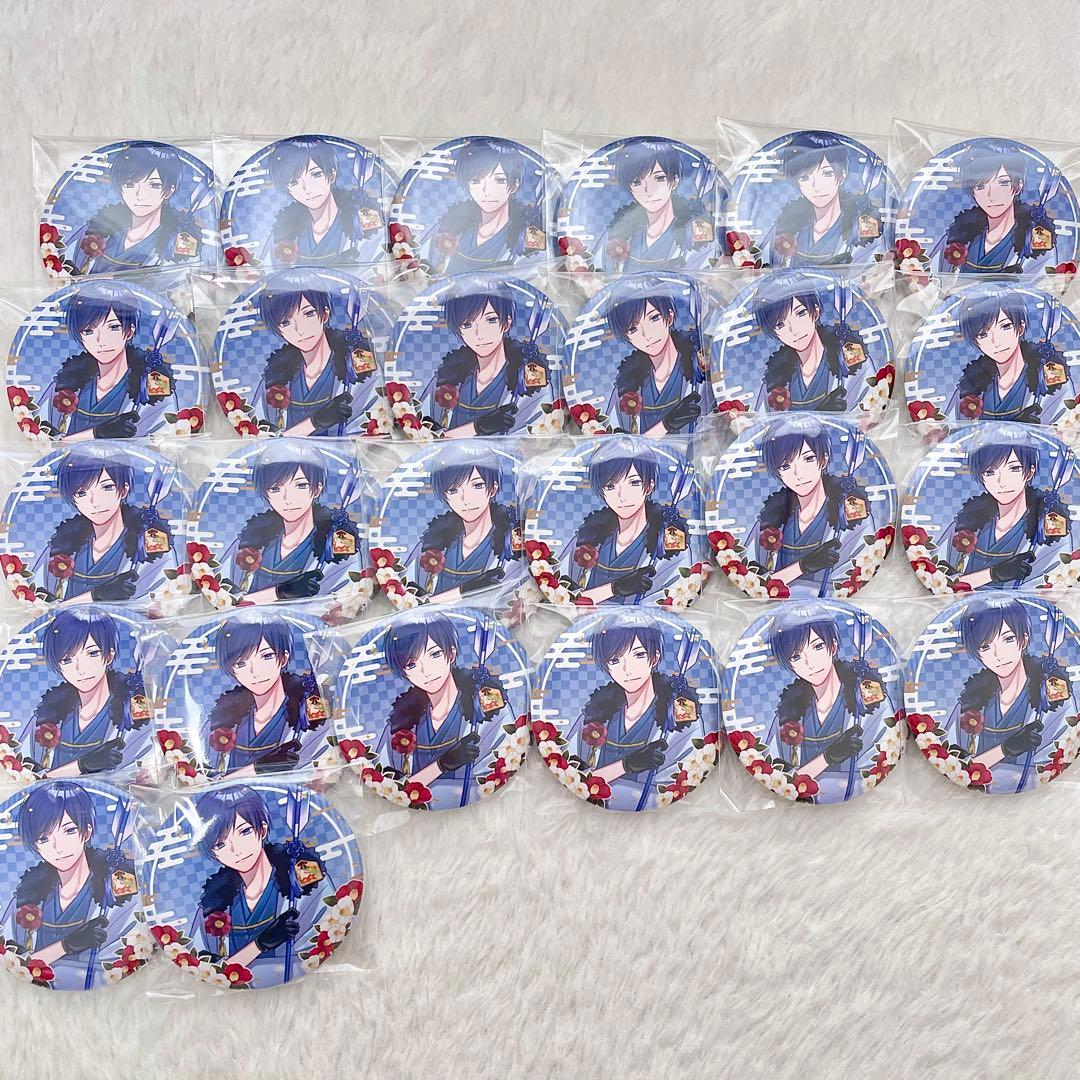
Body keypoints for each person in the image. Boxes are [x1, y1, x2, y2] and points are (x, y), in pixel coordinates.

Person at [566, 613, 700, 810]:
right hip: (591, 811)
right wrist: (625, 765)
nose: (627, 669)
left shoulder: (681, 713)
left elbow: (679, 781)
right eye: (615, 660)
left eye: (638, 655)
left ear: (654, 658)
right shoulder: (594, 715)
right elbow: (572, 777)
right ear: (607, 667)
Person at [190, 786, 328, 977]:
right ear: (213, 853)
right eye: (220, 844)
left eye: (245, 831)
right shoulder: (212, 906)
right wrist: (260, 944)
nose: (236, 850)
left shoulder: (306, 877)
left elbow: (319, 948)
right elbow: (206, 969)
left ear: (262, 830)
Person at [941, 596, 1075, 793]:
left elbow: (1053, 760)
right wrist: (1004, 750)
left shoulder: (1053, 695)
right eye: (985, 646)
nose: (998, 655)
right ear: (978, 654)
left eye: (1008, 639)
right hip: (976, 795)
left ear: (1023, 640)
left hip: (1036, 795)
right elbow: (953, 766)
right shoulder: (971, 702)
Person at [7, 782, 137, 975]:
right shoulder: (27, 896)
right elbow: (14, 963)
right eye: (44, 838)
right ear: (36, 846)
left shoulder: (119, 885)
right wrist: (65, 946)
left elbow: (128, 952)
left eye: (69, 831)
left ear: (87, 831)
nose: (58, 847)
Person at [379, 612, 507, 805]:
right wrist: (442, 765)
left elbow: (496, 773)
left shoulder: (488, 703)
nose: (426, 671)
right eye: (411, 664)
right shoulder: (400, 723)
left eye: (435, 654)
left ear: (452, 654)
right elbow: (392, 789)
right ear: (404, 672)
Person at [766, 610, 894, 801]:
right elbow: (777, 779)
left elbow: (878, 766)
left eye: (817, 647)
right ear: (790, 665)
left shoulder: (869, 697)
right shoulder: (787, 714)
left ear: (833, 646)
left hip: (860, 802)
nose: (810, 663)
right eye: (796, 657)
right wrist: (828, 758)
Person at [232, 442, 359, 605]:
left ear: (317, 489)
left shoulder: (340, 541)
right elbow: (226, 600)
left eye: (300, 485)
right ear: (266, 493)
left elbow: (349, 600)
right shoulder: (249, 541)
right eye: (275, 488)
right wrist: (279, 592)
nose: (288, 499)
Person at [201, 613, 325, 777]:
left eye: (266, 656)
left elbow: (322, 767)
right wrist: (256, 769)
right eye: (241, 663)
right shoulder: (220, 721)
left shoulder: (310, 709)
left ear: (283, 658)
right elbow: (205, 782)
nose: (255, 672)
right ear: (231, 670)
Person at [945, 430, 1070, 591]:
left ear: (1030, 472)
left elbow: (1056, 584)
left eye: (1014, 468)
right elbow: (941, 583)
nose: (1002, 482)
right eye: (990, 472)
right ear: (981, 477)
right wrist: (993, 574)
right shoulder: (965, 524)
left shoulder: (1052, 524)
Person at [754, 417, 868, 593]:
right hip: (774, 603)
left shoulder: (852, 511)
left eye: (808, 458)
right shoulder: (770, 520)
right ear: (778, 473)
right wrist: (803, 566)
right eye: (785, 466)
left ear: (824, 459)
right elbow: (754, 583)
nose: (798, 474)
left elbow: (854, 575)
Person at [567, 438, 688, 605]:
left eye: (634, 482)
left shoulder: (671, 539)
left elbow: (677, 593)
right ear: (602, 492)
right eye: (610, 486)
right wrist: (614, 589)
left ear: (649, 486)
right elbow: (562, 597)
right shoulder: (586, 538)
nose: (622, 496)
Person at [49, 281, 173, 440]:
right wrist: (96, 433)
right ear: (80, 336)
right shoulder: (65, 383)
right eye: (88, 330)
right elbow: (44, 440)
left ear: (129, 331)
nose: (101, 341)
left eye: (113, 327)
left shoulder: (155, 383)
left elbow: (165, 441)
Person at [46, 446, 172, 602]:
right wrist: (95, 596)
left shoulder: (153, 541)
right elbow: (41, 605)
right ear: (73, 499)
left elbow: (164, 600)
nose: (95, 502)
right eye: (81, 492)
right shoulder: (61, 546)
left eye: (107, 487)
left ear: (124, 490)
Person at [30, 609, 146, 777]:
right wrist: (81, 766)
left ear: (109, 656)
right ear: (59, 666)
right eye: (67, 660)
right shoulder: (47, 715)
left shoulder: (136, 703)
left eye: (92, 653)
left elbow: (147, 761)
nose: (81, 669)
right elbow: (27, 776)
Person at [425, 286, 550, 437]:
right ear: (459, 330)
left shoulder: (531, 378)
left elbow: (536, 437)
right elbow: (421, 434)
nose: (479, 334)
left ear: (506, 323)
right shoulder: (445, 378)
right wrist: (476, 428)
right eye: (467, 324)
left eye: (491, 320)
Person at [259, 271, 369, 435]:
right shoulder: (274, 378)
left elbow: (371, 422)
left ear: (324, 314)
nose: (300, 330)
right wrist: (315, 422)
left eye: (308, 313)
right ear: (279, 330)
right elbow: (263, 436)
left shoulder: (358, 361)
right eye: (285, 322)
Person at [409, 445, 517, 601]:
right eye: (453, 490)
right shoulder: (430, 545)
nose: (466, 500)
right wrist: (464, 591)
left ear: (493, 489)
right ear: (445, 496)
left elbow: (515, 597)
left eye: (477, 485)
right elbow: (409, 600)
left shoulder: (511, 545)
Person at [72, 142, 201, 273]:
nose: (140, 195)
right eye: (130, 184)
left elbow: (185, 281)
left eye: (154, 185)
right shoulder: (96, 231)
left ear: (168, 191)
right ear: (120, 188)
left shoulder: (179, 244)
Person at [952, 286, 1070, 423]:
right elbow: (950, 429)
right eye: (983, 334)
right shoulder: (970, 386)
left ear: (1020, 327)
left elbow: (1068, 423)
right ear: (976, 341)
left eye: (1005, 326)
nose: (996, 342)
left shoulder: (1052, 375)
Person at [426, 139, 542, 273]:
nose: (487, 191)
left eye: (499, 180)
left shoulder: (532, 235)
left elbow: (541, 273)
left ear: (514, 185)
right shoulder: (448, 227)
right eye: (475, 180)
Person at [941, 140, 1056, 274]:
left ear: (1017, 186)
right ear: (972, 191)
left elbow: (1048, 282)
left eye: (1003, 183)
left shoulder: (1038, 238)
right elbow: (932, 279)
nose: (992, 196)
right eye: (980, 186)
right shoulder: (957, 237)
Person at [266, 136, 382, 265]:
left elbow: (382, 252)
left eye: (316, 174)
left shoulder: (365, 218)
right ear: (287, 189)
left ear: (332, 175)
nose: (307, 189)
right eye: (293, 182)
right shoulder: (283, 233)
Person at [770, 132, 882, 266]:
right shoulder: (788, 228)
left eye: (827, 173)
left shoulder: (864, 225)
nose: (816, 186)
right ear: (797, 183)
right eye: (804, 177)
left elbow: (874, 266)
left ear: (841, 176)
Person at [602, 139, 713, 271]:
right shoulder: (620, 233)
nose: (649, 191)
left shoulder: (697, 229)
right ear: (629, 188)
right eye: (637, 182)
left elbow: (709, 266)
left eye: (659, 178)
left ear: (674, 181)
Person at [604, 286, 702, 435]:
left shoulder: (699, 369)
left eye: (654, 318)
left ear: (669, 317)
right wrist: (665, 425)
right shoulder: (626, 387)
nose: (647, 335)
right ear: (627, 337)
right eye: (633, 329)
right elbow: (618, 442)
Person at [754, 281, 865, 412]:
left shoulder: (851, 356)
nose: (794, 330)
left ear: (815, 312)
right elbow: (762, 422)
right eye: (780, 325)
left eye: (800, 313)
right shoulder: (773, 382)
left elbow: (870, 409)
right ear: (774, 332)